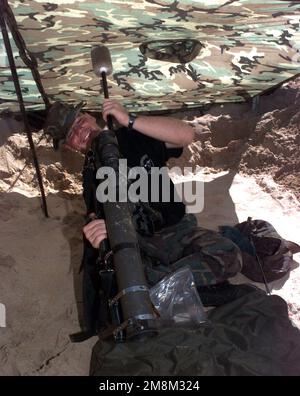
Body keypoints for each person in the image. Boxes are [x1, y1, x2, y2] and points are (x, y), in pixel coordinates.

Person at [82, 99, 243, 288]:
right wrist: (99, 232)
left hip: (178, 229)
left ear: (88, 117)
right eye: (71, 135)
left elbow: (186, 134)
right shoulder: (91, 176)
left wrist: (129, 120)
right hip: (140, 243)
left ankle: (159, 283)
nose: (78, 132)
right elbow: (98, 221)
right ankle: (167, 283)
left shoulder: (132, 136)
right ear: (73, 146)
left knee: (228, 254)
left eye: (78, 123)